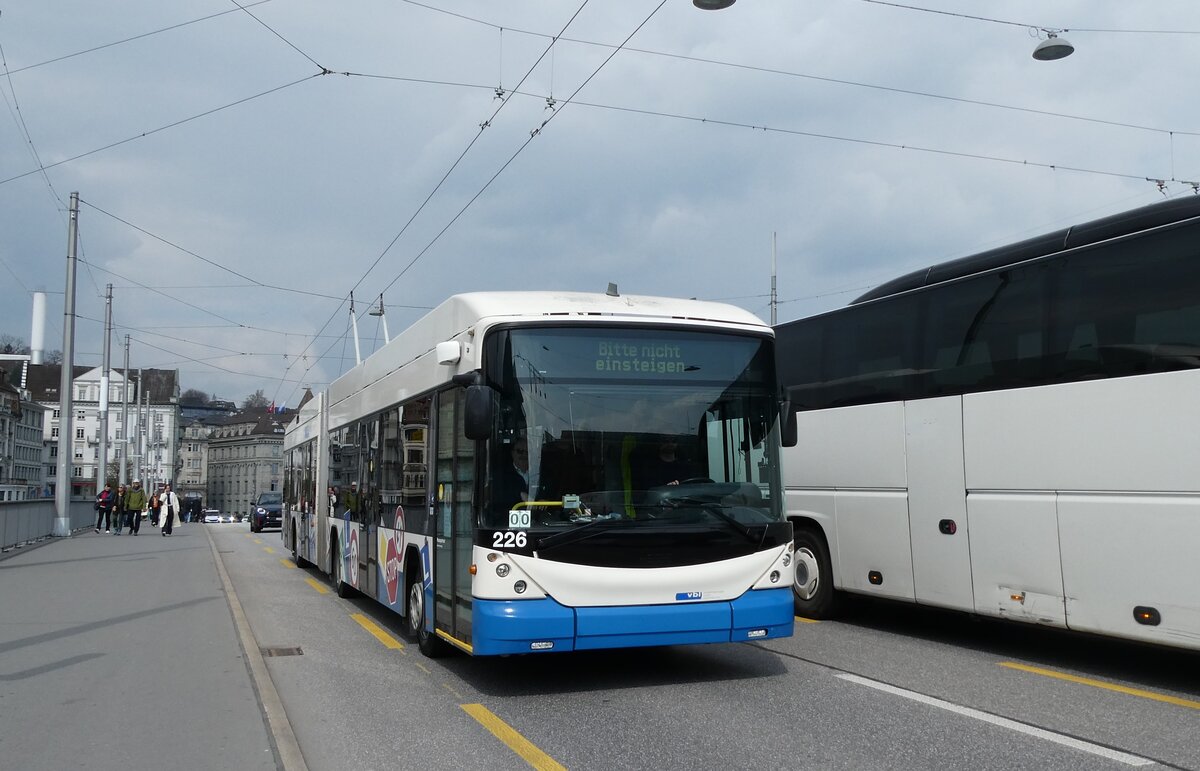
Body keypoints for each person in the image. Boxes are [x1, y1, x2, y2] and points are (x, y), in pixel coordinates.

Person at [493, 438, 530, 515]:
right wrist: (519, 494)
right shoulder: (501, 475)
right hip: (508, 518)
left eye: (527, 452)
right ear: (512, 453)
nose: (524, 455)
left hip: (541, 519)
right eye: (520, 451)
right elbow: (497, 496)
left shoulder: (541, 473)